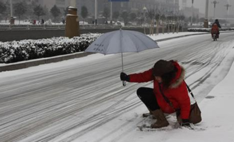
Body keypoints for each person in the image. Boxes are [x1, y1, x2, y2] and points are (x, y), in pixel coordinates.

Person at [120, 60, 191, 128]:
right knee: (142, 92)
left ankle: (162, 121)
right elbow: (143, 76)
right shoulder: (157, 72)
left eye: (158, 76)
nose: (156, 78)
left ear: (166, 76)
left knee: (151, 96)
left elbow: (185, 103)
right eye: (155, 76)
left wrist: (185, 120)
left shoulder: (178, 85)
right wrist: (127, 78)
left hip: (170, 106)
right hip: (160, 98)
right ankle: (155, 113)